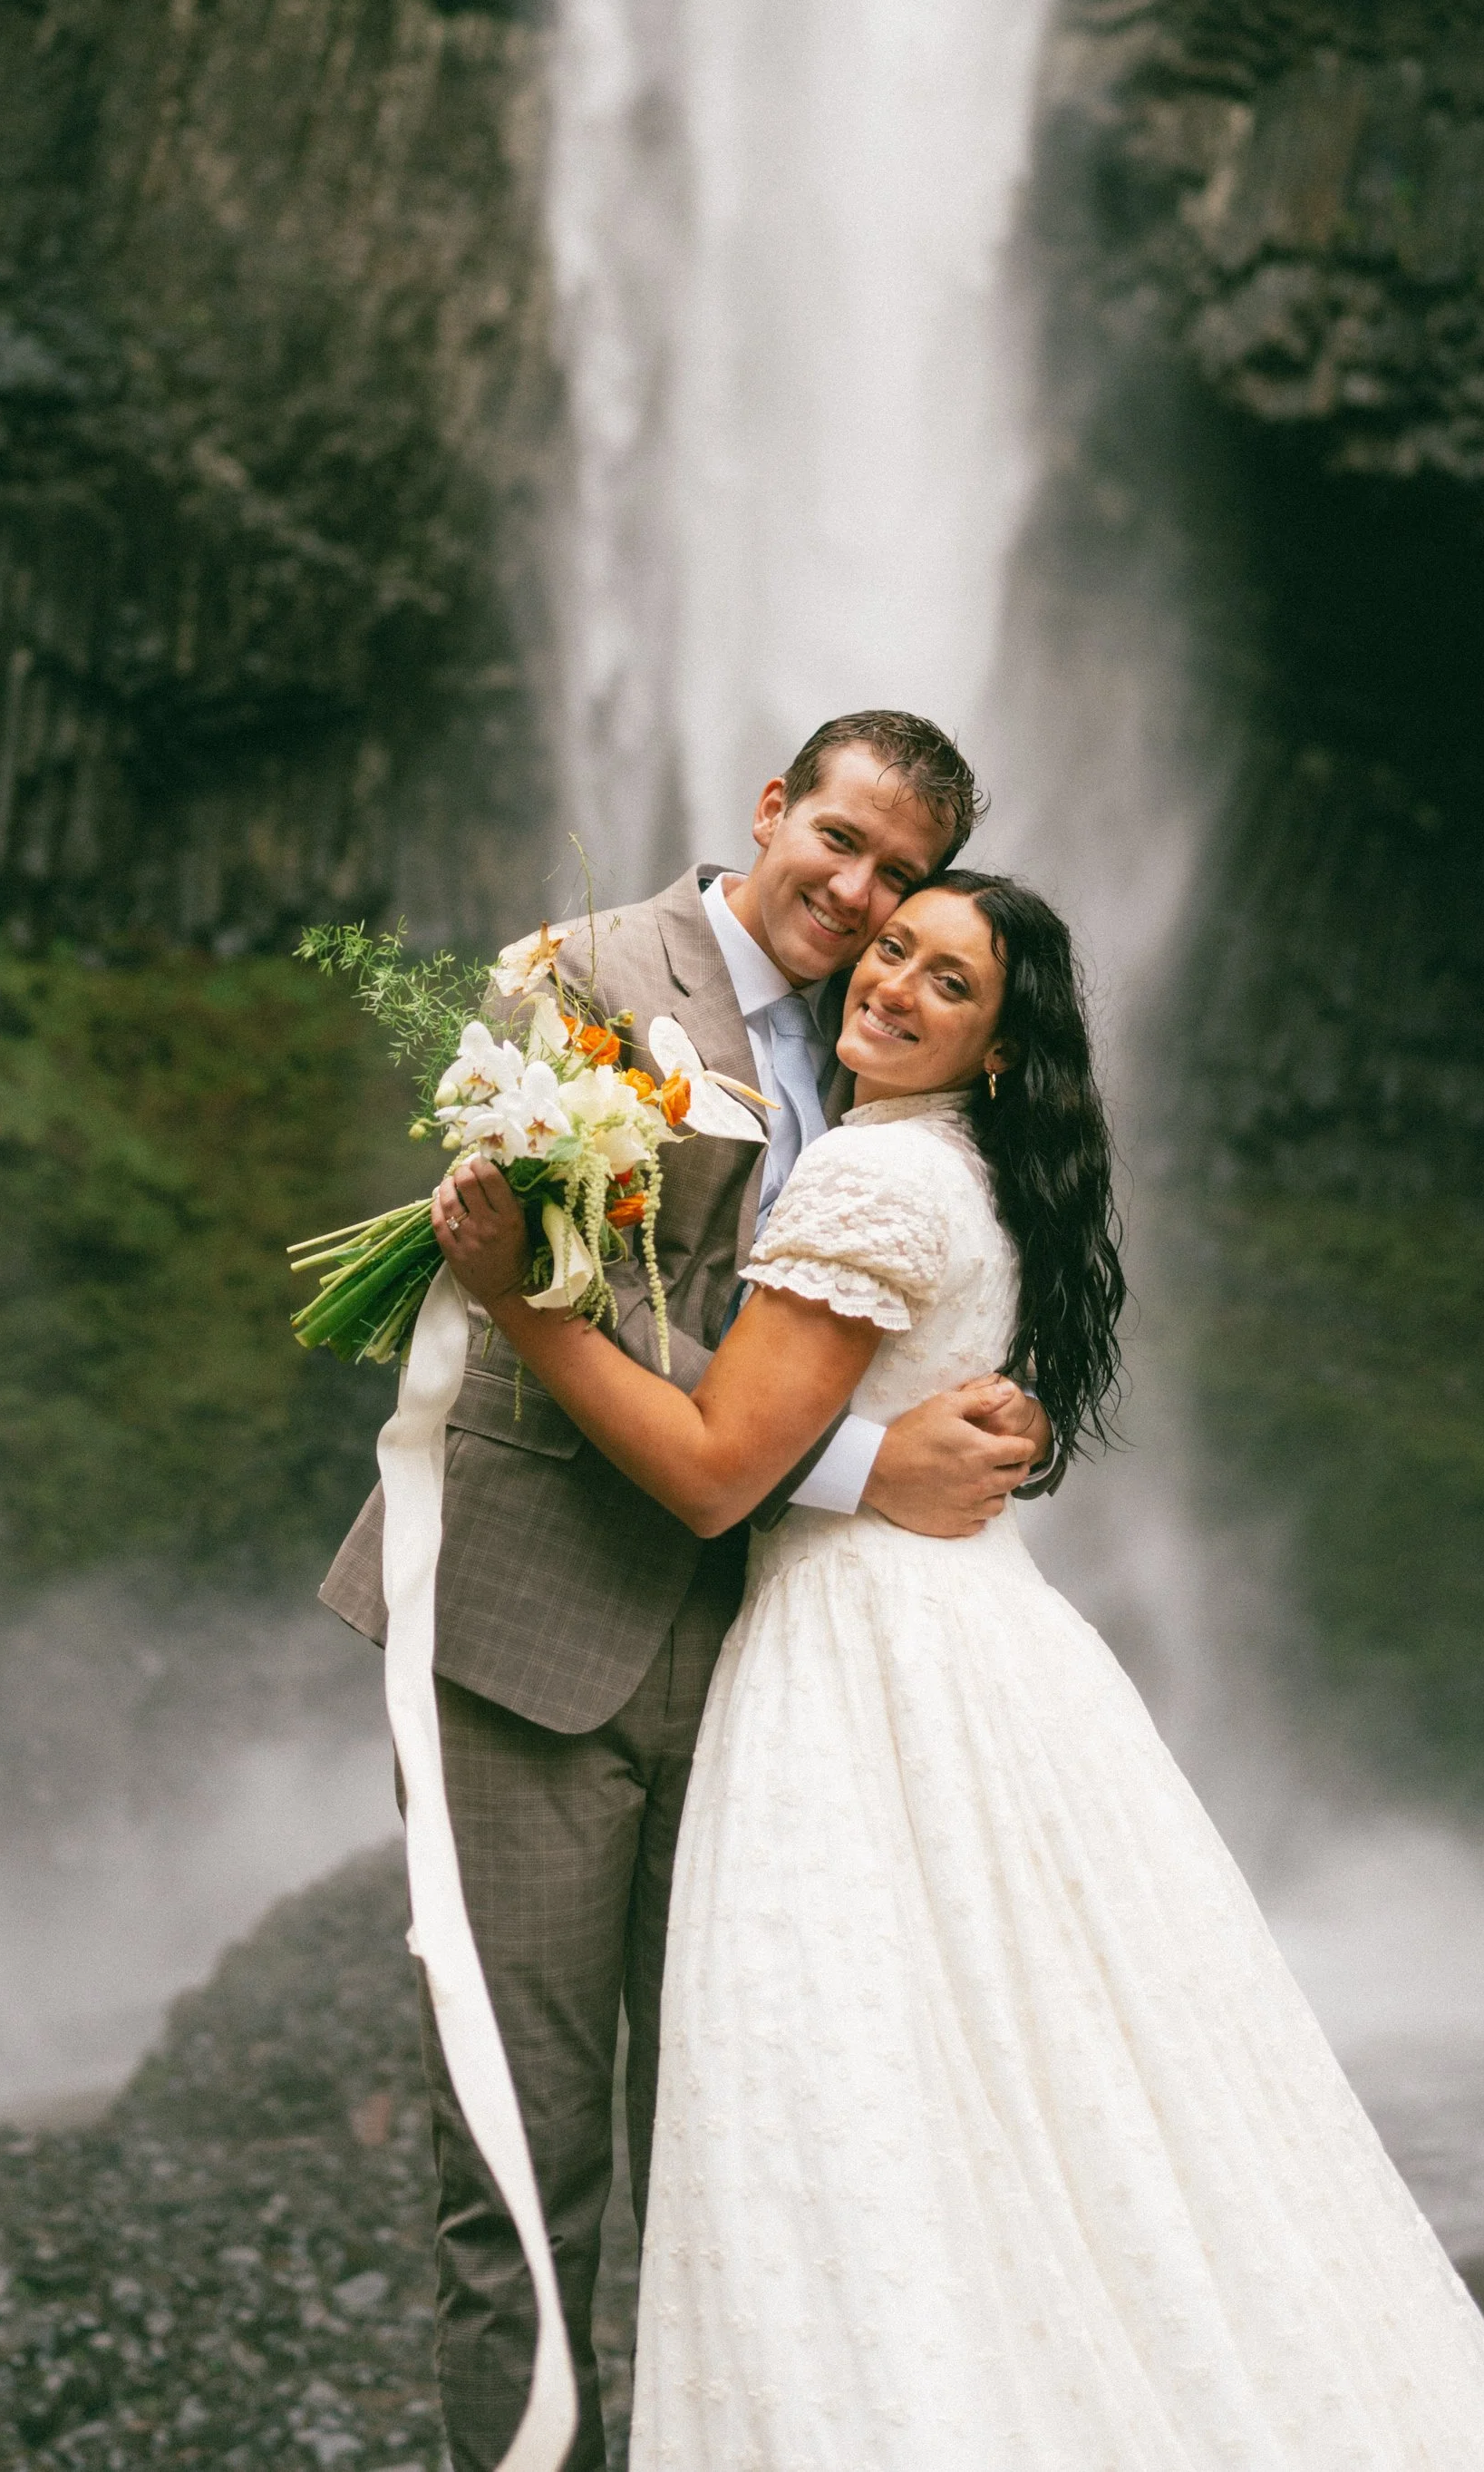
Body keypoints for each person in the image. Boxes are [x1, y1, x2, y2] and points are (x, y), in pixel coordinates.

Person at [432, 869, 1484, 2471]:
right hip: (968, 1643)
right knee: (1008, 2089)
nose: (890, 981)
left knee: (836, 2113)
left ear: (997, 1049)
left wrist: (515, 1301)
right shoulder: (964, 1171)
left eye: (946, 982)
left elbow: (708, 1469)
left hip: (853, 1666)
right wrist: (877, 1454)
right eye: (890, 948)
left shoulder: (866, 1185)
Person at [319, 713, 1055, 2472]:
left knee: (737, 2165)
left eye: (897, 881)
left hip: (759, 1669)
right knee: (522, 2161)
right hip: (526, 1638)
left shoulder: (887, 1054)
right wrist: (871, 1468)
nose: (857, 894)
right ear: (769, 810)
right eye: (840, 841)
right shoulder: (576, 979)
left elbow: (861, 1313)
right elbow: (589, 1303)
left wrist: (983, 1389)